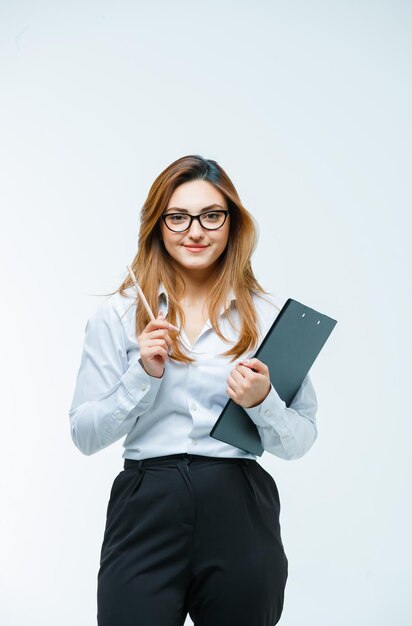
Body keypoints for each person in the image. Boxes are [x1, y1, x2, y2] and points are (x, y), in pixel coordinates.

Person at [69, 155, 319, 626]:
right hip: (146, 501)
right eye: (178, 217)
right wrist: (142, 374)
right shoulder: (120, 315)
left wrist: (262, 402)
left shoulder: (268, 316)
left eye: (211, 215)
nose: (195, 231)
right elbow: (84, 435)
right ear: (158, 225)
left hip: (240, 503)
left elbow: (301, 440)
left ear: (232, 223)